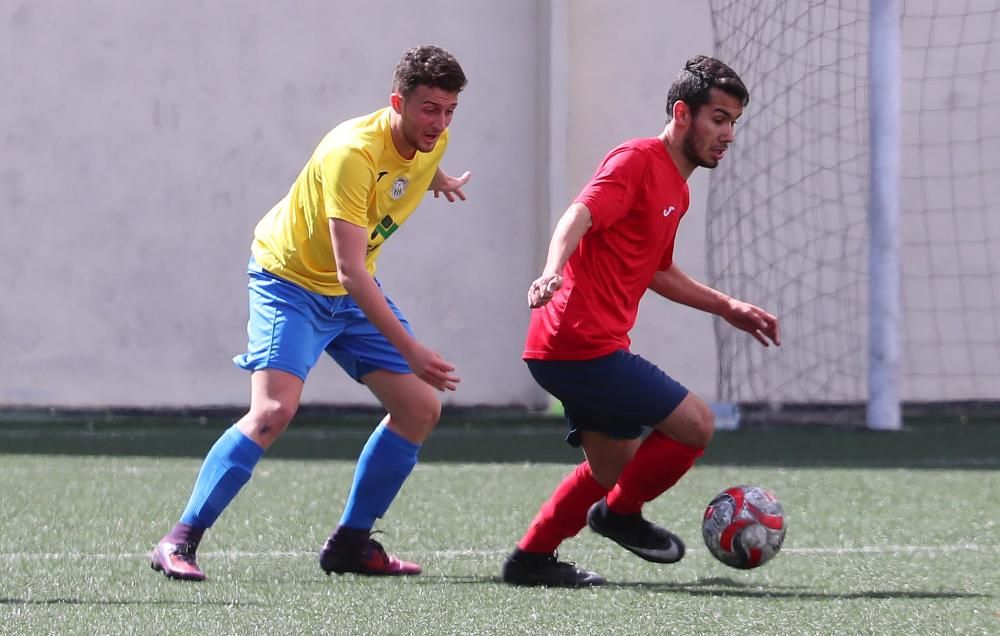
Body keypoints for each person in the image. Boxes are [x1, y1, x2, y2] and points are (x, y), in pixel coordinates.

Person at [151, 45, 470, 581]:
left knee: (419, 409)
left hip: (347, 294)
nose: (438, 123)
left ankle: (350, 543)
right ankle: (179, 539)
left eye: (449, 111)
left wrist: (436, 179)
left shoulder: (431, 140)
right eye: (428, 109)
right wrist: (410, 349)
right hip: (291, 283)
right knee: (274, 411)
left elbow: (414, 168)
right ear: (398, 101)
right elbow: (349, 270)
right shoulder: (352, 153)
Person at [500, 55, 780, 587]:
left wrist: (729, 307)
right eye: (718, 119)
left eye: (734, 123)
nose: (727, 135)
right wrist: (551, 271)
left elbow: (657, 270)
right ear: (682, 113)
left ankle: (530, 558)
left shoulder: (679, 188)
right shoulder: (636, 160)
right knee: (696, 423)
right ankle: (619, 514)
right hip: (579, 343)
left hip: (573, 347)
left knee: (610, 466)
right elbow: (579, 214)